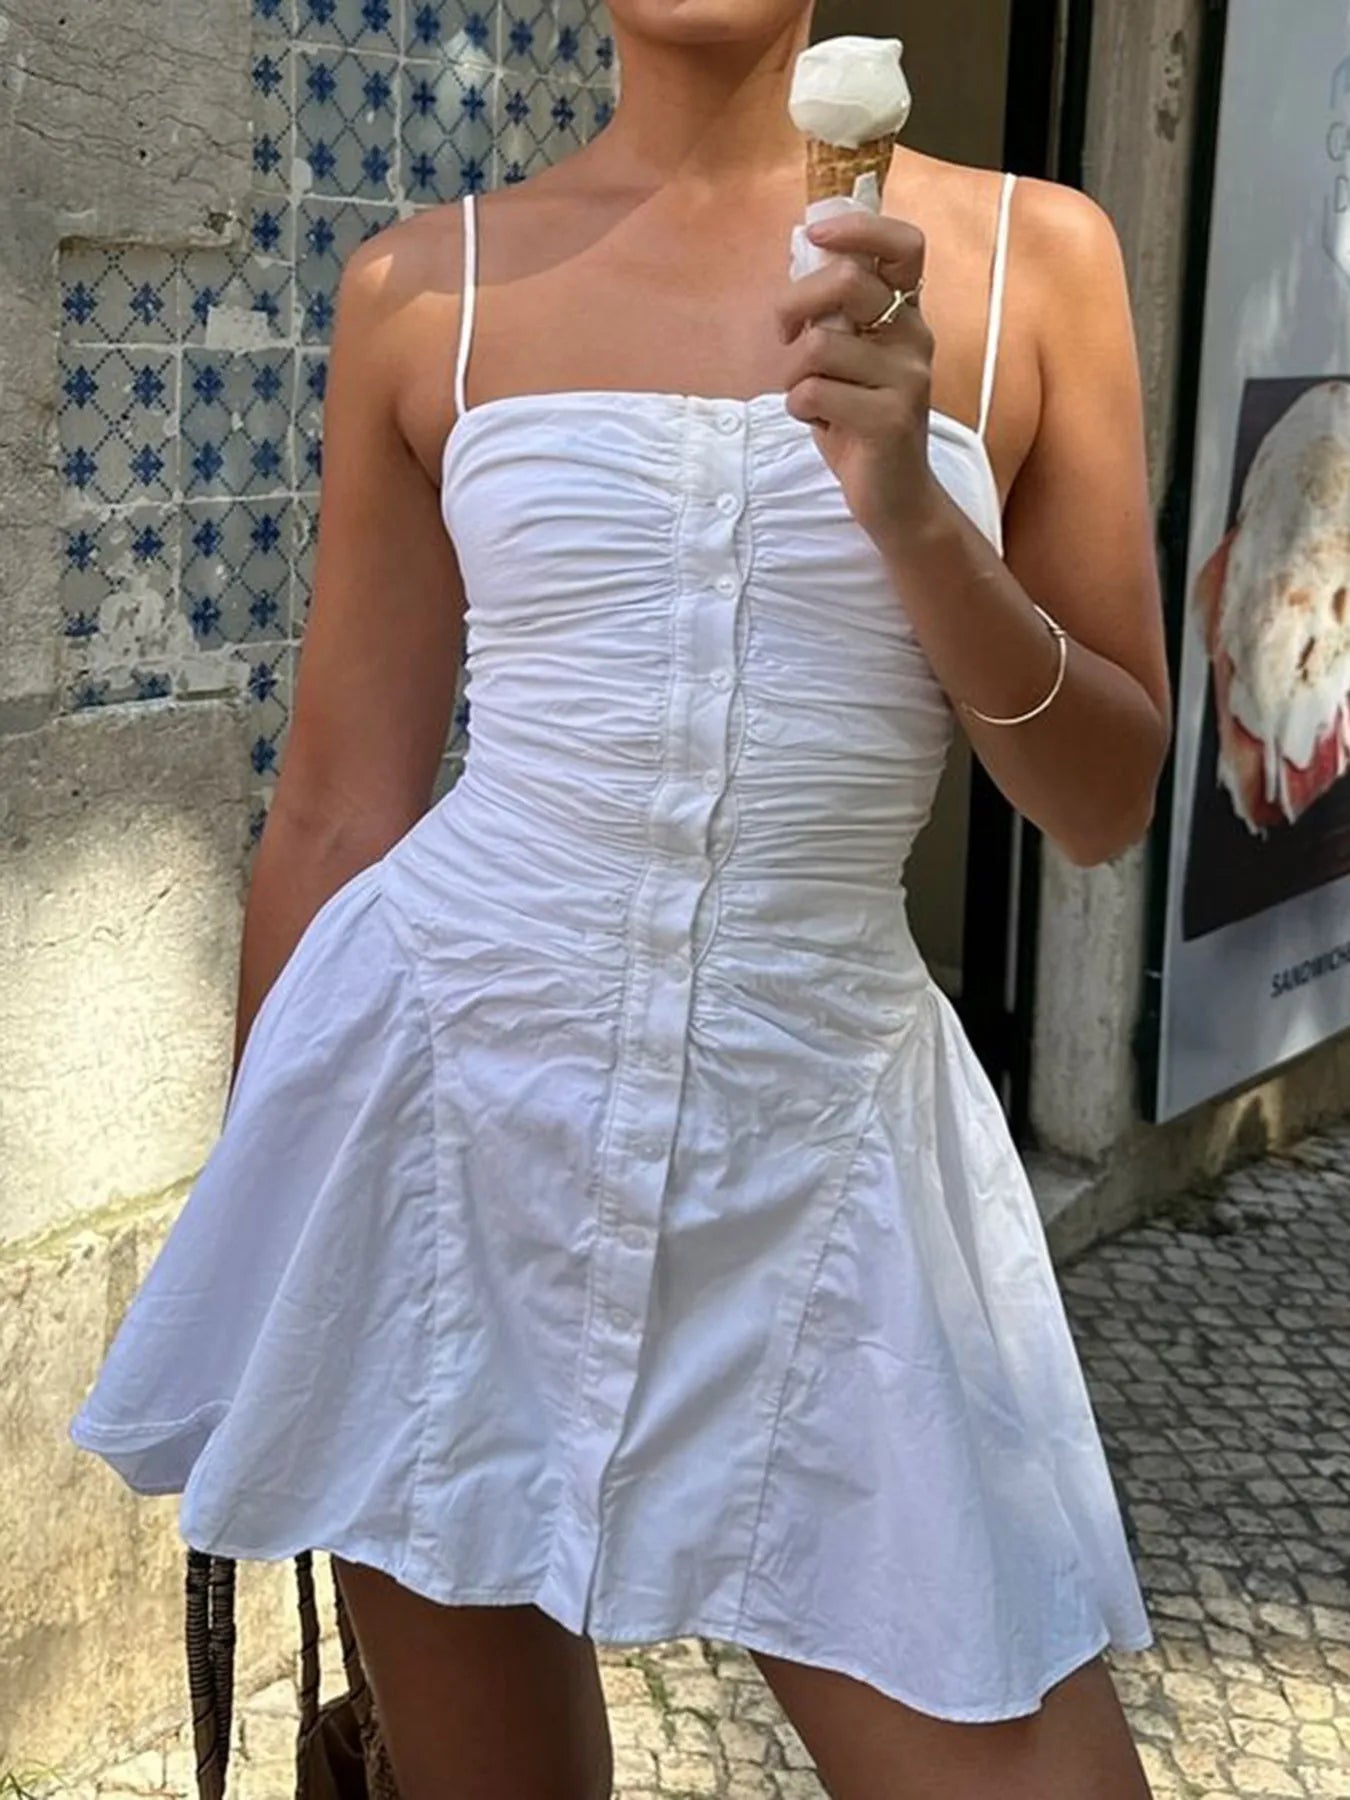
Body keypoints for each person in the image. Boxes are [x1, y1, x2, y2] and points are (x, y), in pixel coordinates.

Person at [70, 1, 1173, 1795]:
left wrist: (913, 516)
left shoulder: (1034, 256)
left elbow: (1103, 800)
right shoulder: (423, 290)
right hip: (447, 1130)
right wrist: (276, 1248)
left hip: (830, 1151)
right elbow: (339, 813)